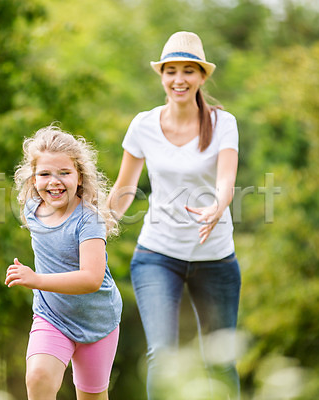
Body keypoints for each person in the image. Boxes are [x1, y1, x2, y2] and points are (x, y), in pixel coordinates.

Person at [107, 31, 242, 399]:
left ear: (202, 77)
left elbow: (226, 180)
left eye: (188, 71)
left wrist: (218, 205)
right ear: (161, 76)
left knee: (220, 360)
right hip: (157, 255)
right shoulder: (143, 125)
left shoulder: (223, 123)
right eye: (171, 71)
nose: (179, 79)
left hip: (214, 257)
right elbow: (124, 189)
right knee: (162, 357)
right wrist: (93, 228)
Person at [5, 125, 122, 400]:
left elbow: (91, 279)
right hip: (51, 316)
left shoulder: (88, 220)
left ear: (80, 177)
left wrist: (36, 280)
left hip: (97, 321)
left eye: (64, 173)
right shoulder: (32, 209)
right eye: (44, 174)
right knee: (38, 377)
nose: (53, 182)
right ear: (33, 178)